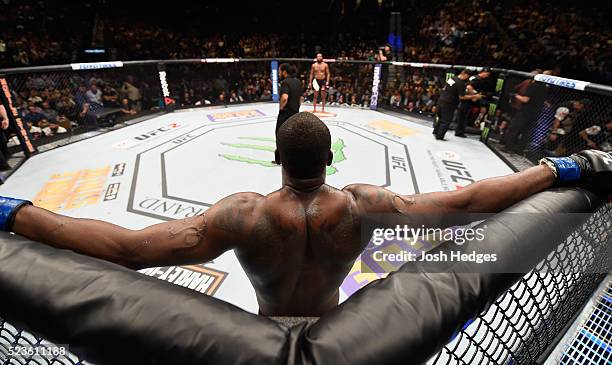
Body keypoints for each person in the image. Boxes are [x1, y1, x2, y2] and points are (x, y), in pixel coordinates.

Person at [1, 113, 611, 317]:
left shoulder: (244, 216)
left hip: (263, 326)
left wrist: (16, 214)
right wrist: (560, 169)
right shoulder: (363, 206)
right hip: (337, 327)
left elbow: (127, 248)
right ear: (330, 156)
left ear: (275, 158)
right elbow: (467, 202)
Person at [433, 69, 481, 140]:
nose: (467, 78)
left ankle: (436, 132)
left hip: (441, 100)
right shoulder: (460, 83)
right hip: (449, 103)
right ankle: (439, 136)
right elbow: (461, 97)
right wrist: (474, 96)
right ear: (465, 74)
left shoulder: (452, 78)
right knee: (446, 120)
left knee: (440, 118)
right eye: (467, 76)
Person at [504, 77, 548, 153]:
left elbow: (525, 99)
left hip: (525, 111)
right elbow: (544, 102)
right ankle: (519, 150)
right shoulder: (546, 88)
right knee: (527, 133)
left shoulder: (533, 85)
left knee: (515, 129)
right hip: (536, 113)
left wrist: (515, 95)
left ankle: (508, 148)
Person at [455, 67, 493, 137]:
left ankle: (459, 131)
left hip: (467, 98)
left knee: (463, 115)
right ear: (484, 73)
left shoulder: (474, 77)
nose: (487, 76)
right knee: (463, 115)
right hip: (468, 99)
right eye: (487, 74)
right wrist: (475, 96)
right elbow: (469, 87)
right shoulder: (477, 79)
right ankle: (459, 132)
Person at [276, 63, 301, 135]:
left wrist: (281, 108)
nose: (279, 73)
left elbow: (284, 98)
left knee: (280, 133)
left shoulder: (285, 82)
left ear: (284, 72)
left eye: (279, 71)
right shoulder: (297, 81)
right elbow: (301, 98)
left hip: (286, 113)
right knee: (293, 134)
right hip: (295, 113)